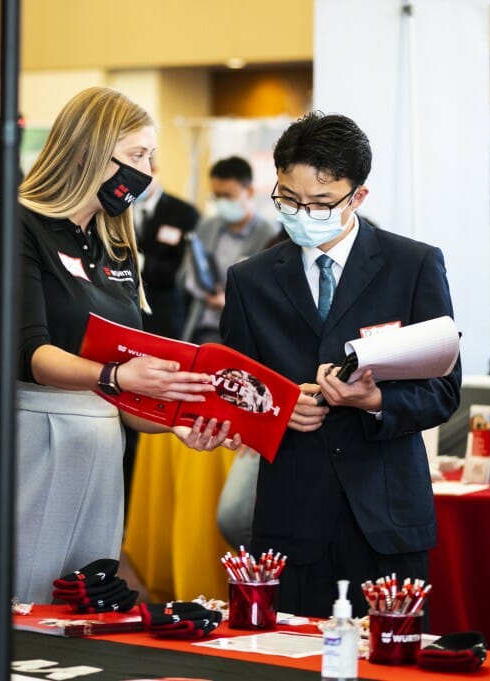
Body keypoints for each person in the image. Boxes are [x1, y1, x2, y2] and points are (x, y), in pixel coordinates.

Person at [0, 87, 241, 606]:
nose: (148, 171)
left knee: (80, 611)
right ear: (87, 153)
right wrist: (113, 377)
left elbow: (127, 393)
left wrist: (177, 420)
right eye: (136, 156)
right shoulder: (10, 222)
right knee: (8, 608)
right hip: (25, 438)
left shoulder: (116, 244)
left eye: (151, 157)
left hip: (102, 446)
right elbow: (29, 352)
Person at [219, 112, 461, 618]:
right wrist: (280, 410)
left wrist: (376, 401)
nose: (304, 213)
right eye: (289, 199)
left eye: (322, 203)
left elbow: (442, 390)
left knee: (390, 661)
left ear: (358, 197)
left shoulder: (412, 265)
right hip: (293, 512)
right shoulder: (251, 279)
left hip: (386, 513)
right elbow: (235, 389)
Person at [182, 156, 278, 344]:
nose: (222, 202)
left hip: (242, 332)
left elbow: (270, 294)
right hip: (201, 326)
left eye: (228, 196)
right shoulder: (207, 225)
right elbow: (190, 270)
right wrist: (205, 292)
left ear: (249, 191)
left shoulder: (270, 236)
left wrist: (228, 301)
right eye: (217, 196)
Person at [132, 159, 200, 340]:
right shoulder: (117, 211)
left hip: (165, 307)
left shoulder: (183, 212)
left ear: (154, 170)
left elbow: (181, 267)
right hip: (128, 304)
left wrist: (143, 263)